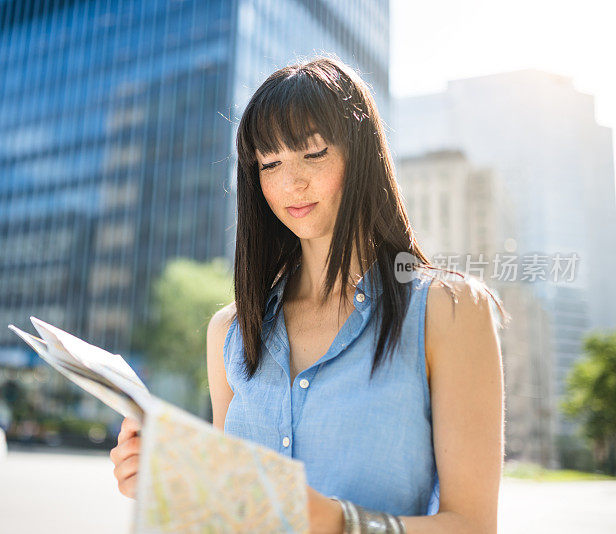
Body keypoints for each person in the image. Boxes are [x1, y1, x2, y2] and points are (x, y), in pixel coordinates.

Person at [111, 55, 507, 534]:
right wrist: (175, 482)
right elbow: (231, 513)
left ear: (360, 155)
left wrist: (341, 524)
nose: (290, 182)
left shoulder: (448, 309)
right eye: (270, 163)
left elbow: (473, 524)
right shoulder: (231, 333)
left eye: (313, 153)